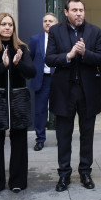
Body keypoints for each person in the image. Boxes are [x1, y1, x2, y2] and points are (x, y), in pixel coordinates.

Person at [45, 0, 101, 192]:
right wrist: (69, 56)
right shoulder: (55, 31)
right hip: (64, 91)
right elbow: (49, 59)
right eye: (74, 10)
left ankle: (85, 172)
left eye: (81, 10)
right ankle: (64, 174)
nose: (78, 13)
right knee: (64, 136)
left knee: (87, 134)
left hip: (88, 91)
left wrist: (85, 53)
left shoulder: (94, 31)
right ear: (66, 12)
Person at [0, 13, 35, 194]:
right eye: (3, 24)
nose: (7, 28)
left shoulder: (22, 47)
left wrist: (17, 64)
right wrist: (3, 65)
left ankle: (18, 181)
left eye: (10, 24)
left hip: (17, 99)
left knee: (19, 142)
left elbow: (31, 72)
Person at [28, 13, 58, 151]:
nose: (47, 23)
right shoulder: (35, 39)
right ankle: (40, 139)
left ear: (56, 23)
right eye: (45, 21)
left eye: (50, 21)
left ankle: (61, 138)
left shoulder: (61, 39)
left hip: (58, 79)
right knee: (40, 111)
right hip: (42, 79)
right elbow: (30, 58)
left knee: (60, 110)